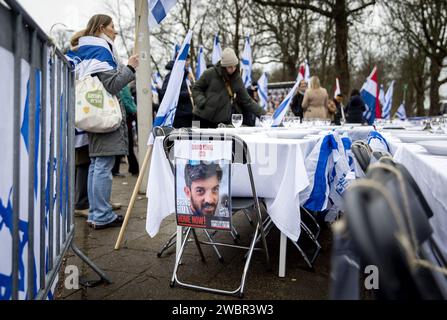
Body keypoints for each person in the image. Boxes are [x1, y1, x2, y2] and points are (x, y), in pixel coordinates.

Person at [67, 14, 139, 229]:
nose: (115, 31)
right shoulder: (101, 50)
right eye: (112, 26)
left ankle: (97, 212)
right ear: (102, 28)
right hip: (105, 116)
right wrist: (131, 68)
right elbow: (113, 85)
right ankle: (100, 215)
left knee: (97, 165)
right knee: (103, 166)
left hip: (95, 114)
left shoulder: (87, 50)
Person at [191, 48, 266, 128]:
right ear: (224, 66)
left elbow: (247, 100)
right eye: (230, 67)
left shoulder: (237, 79)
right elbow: (196, 88)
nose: (233, 69)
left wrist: (263, 114)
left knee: (217, 140)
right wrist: (202, 102)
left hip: (220, 121)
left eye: (234, 66)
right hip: (199, 116)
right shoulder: (209, 73)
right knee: (195, 139)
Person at [159, 54, 193, 128]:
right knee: (182, 138)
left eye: (188, 60)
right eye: (186, 60)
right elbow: (165, 94)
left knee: (194, 137)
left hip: (190, 115)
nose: (188, 63)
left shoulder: (186, 76)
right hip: (180, 116)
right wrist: (188, 94)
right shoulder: (171, 76)